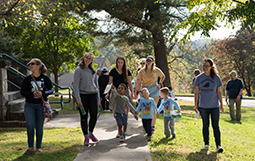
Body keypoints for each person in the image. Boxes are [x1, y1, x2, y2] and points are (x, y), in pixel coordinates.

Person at [20, 58, 53, 154]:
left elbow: (51, 90)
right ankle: (30, 146)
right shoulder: (27, 79)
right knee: (30, 125)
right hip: (29, 105)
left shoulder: (45, 78)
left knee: (39, 126)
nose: (30, 65)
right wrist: (32, 94)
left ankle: (38, 147)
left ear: (38, 66)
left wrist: (43, 93)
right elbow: (22, 92)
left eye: (32, 64)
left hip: (41, 105)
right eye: (29, 64)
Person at [193, 58, 224, 153]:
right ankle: (206, 144)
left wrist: (221, 105)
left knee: (216, 125)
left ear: (211, 67)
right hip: (203, 106)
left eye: (207, 66)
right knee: (205, 125)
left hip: (214, 106)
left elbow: (219, 92)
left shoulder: (216, 78)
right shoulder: (198, 78)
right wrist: (196, 105)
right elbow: (196, 93)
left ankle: (218, 145)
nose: (204, 67)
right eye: (203, 66)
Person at [73, 52, 100, 146]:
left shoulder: (93, 70)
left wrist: (98, 99)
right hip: (83, 95)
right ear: (83, 58)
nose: (88, 60)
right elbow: (75, 85)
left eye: (90, 58)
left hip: (93, 95)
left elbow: (96, 85)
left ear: (92, 60)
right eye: (86, 57)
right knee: (84, 116)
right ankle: (85, 137)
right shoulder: (79, 70)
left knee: (94, 115)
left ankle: (90, 133)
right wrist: (78, 98)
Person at [105, 56, 135, 137]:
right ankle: (119, 131)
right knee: (116, 112)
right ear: (116, 63)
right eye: (118, 62)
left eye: (121, 62)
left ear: (124, 63)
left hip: (125, 92)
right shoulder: (113, 71)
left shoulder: (127, 71)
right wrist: (107, 93)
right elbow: (109, 83)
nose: (120, 64)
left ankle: (124, 130)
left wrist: (132, 92)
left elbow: (129, 83)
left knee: (125, 111)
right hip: (115, 92)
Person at [135, 55, 165, 133]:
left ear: (152, 62)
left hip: (154, 89)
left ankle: (152, 126)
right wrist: (138, 92)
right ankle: (146, 124)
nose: (148, 63)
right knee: (146, 108)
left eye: (150, 61)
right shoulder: (141, 71)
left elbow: (163, 76)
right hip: (145, 90)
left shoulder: (156, 70)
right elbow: (138, 82)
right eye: (147, 61)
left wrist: (159, 84)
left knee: (153, 108)